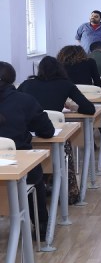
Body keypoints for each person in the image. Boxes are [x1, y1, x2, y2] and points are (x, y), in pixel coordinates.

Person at [18, 56, 96, 204]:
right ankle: (68, 192)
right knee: (65, 145)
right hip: (51, 136)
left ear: (39, 70)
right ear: (60, 69)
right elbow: (89, 109)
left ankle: (42, 185)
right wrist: (73, 106)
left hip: (26, 137)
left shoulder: (27, 84)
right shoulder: (66, 84)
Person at [0, 61, 55, 240]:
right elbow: (47, 131)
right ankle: (41, 225)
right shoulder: (24, 100)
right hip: (19, 169)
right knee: (34, 174)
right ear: (12, 79)